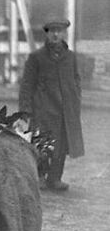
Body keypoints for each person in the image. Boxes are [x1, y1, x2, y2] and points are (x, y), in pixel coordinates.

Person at [19, 17, 84, 191]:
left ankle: (55, 178)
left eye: (59, 31)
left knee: (61, 146)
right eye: (52, 31)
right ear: (47, 34)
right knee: (42, 145)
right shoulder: (36, 57)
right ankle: (40, 176)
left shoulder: (70, 57)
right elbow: (27, 85)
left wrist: (75, 99)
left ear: (64, 34)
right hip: (44, 111)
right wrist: (25, 111)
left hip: (65, 111)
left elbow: (76, 80)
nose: (56, 35)